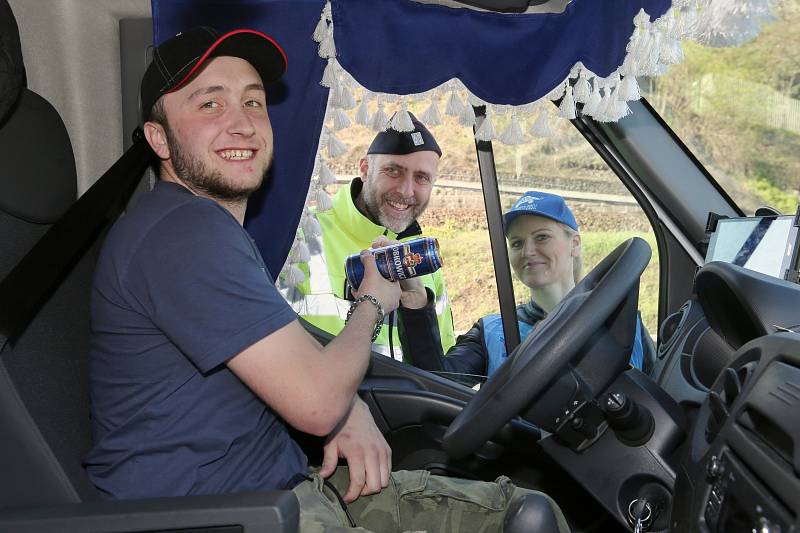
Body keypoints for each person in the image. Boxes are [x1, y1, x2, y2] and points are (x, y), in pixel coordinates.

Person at [84, 26, 569, 532]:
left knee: (526, 513)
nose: (243, 124)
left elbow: (292, 359)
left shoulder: (201, 227)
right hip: (218, 516)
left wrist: (348, 406)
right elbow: (315, 403)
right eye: (210, 105)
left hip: (282, 490)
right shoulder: (185, 232)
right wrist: (372, 304)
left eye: (253, 103)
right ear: (159, 137)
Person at [398, 191, 654, 386]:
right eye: (517, 243)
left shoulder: (624, 322)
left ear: (574, 244)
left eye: (541, 237)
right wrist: (416, 301)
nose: (528, 251)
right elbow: (436, 380)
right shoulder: (490, 332)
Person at [279, 114, 455, 362]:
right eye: (393, 171)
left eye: (421, 178)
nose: (406, 191)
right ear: (364, 169)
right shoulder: (301, 237)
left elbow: (441, 368)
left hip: (402, 401)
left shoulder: (423, 262)